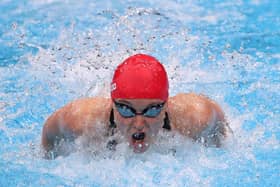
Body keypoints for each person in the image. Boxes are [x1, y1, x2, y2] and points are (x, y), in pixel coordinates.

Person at [42, 54, 230, 158]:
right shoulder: (81, 120)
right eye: (126, 109)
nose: (139, 123)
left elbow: (218, 122)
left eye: (152, 110)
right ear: (113, 104)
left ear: (166, 105)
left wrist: (219, 149)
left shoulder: (194, 117)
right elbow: (48, 135)